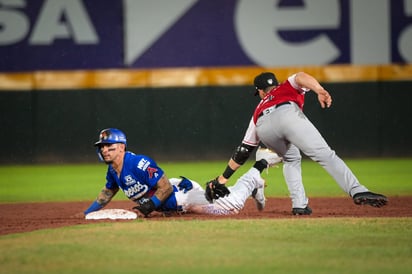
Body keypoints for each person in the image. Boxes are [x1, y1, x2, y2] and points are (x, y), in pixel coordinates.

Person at [206, 71, 387, 215]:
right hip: (287, 114)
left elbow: (243, 150)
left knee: (291, 158)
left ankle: (299, 204)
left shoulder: (258, 107)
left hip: (263, 126)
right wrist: (319, 90)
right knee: (325, 155)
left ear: (260, 91)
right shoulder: (285, 86)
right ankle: (357, 190)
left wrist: (221, 180)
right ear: (275, 85)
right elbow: (301, 76)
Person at [80, 128, 282, 218]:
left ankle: (258, 167)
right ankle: (255, 183)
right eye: (102, 147)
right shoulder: (113, 170)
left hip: (181, 195)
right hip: (177, 200)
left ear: (122, 147)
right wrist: (87, 212)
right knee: (217, 205)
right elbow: (108, 192)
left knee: (232, 208)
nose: (104, 150)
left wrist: (145, 209)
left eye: (109, 146)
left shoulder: (138, 163)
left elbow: (165, 188)